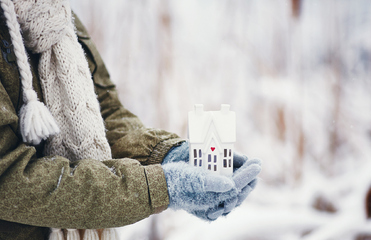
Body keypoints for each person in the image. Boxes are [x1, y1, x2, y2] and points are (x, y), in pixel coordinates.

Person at [0, 0, 261, 240]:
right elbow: (8, 178)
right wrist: (161, 186)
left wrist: (169, 156)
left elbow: (106, 113)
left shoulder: (54, 14)